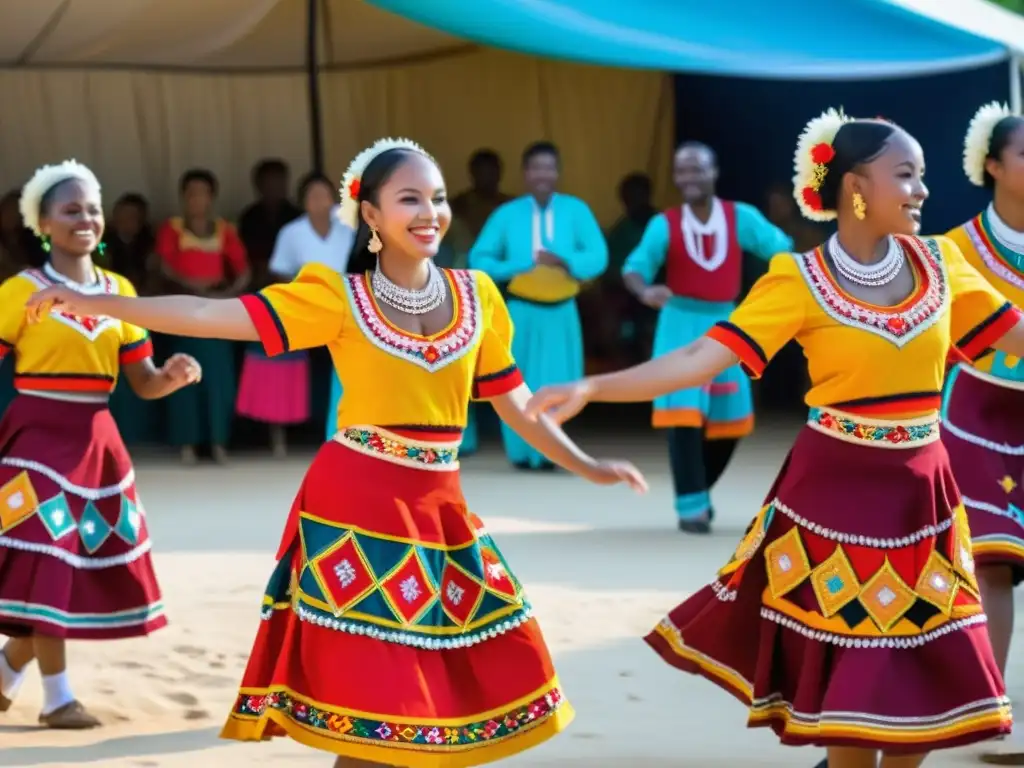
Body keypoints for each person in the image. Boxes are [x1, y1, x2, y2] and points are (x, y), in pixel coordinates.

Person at [25, 138, 647, 766]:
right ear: (371, 216)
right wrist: (97, 302)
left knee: (448, 694)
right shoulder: (338, 298)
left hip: (440, 515)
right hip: (356, 511)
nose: (430, 211)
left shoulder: (478, 296)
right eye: (410, 199)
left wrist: (587, 465)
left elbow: (519, 405)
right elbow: (210, 313)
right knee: (375, 708)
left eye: (435, 198)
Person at [524, 110, 1024, 768]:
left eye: (922, 176)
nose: (922, 190)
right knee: (853, 708)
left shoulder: (943, 263)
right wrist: (594, 388)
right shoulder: (799, 279)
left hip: (923, 503)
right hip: (837, 503)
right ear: (854, 187)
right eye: (905, 175)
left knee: (918, 707)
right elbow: (698, 358)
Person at [0, 160, 200, 728]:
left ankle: (4, 676)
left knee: (60, 566)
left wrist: (175, 375)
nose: (85, 218)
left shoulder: (122, 293)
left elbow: (143, 382)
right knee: (47, 557)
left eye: (92, 207)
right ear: (43, 223)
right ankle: (58, 699)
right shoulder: (18, 293)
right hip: (35, 439)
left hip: (95, 444)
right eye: (70, 209)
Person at [622, 142, 792, 533]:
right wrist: (644, 290)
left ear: (714, 172)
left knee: (731, 421)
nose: (689, 178)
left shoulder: (740, 217)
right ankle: (691, 506)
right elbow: (636, 266)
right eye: (681, 171)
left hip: (725, 325)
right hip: (678, 324)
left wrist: (778, 293)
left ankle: (696, 490)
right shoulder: (665, 223)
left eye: (697, 169)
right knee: (682, 415)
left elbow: (780, 250)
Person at [943, 102, 1024, 766]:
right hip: (975, 416)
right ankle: (989, 709)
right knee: (992, 560)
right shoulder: (956, 249)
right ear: (992, 166)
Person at [470, 141, 608, 470]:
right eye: (536, 168)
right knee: (518, 384)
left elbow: (599, 257)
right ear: (525, 174)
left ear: (557, 173)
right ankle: (521, 453)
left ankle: (552, 453)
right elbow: (479, 258)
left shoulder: (576, 210)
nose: (542, 174)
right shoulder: (507, 214)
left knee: (560, 383)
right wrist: (517, 264)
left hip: (562, 311)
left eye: (549, 167)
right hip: (520, 311)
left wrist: (566, 262)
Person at [237, 172, 353, 455]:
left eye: (324, 195)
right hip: (304, 305)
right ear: (302, 202)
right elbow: (279, 271)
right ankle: (281, 437)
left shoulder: (349, 227)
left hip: (347, 307)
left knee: (347, 368)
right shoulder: (292, 232)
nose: (319, 201)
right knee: (281, 354)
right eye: (312, 196)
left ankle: (347, 433)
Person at [155, 169, 249, 464]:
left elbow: (242, 269)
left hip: (216, 313)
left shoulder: (225, 230)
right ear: (183, 197)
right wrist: (192, 287)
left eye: (203, 193)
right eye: (191, 193)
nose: (197, 199)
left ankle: (218, 442)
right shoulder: (172, 228)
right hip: (183, 311)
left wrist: (226, 294)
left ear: (212, 197)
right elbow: (164, 266)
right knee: (182, 377)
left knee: (219, 380)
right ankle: (187, 444)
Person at [450, 149, 512, 240]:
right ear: (472, 173)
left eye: (491, 172)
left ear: (499, 173)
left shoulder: (510, 206)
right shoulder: (458, 206)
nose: (487, 178)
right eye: (482, 172)